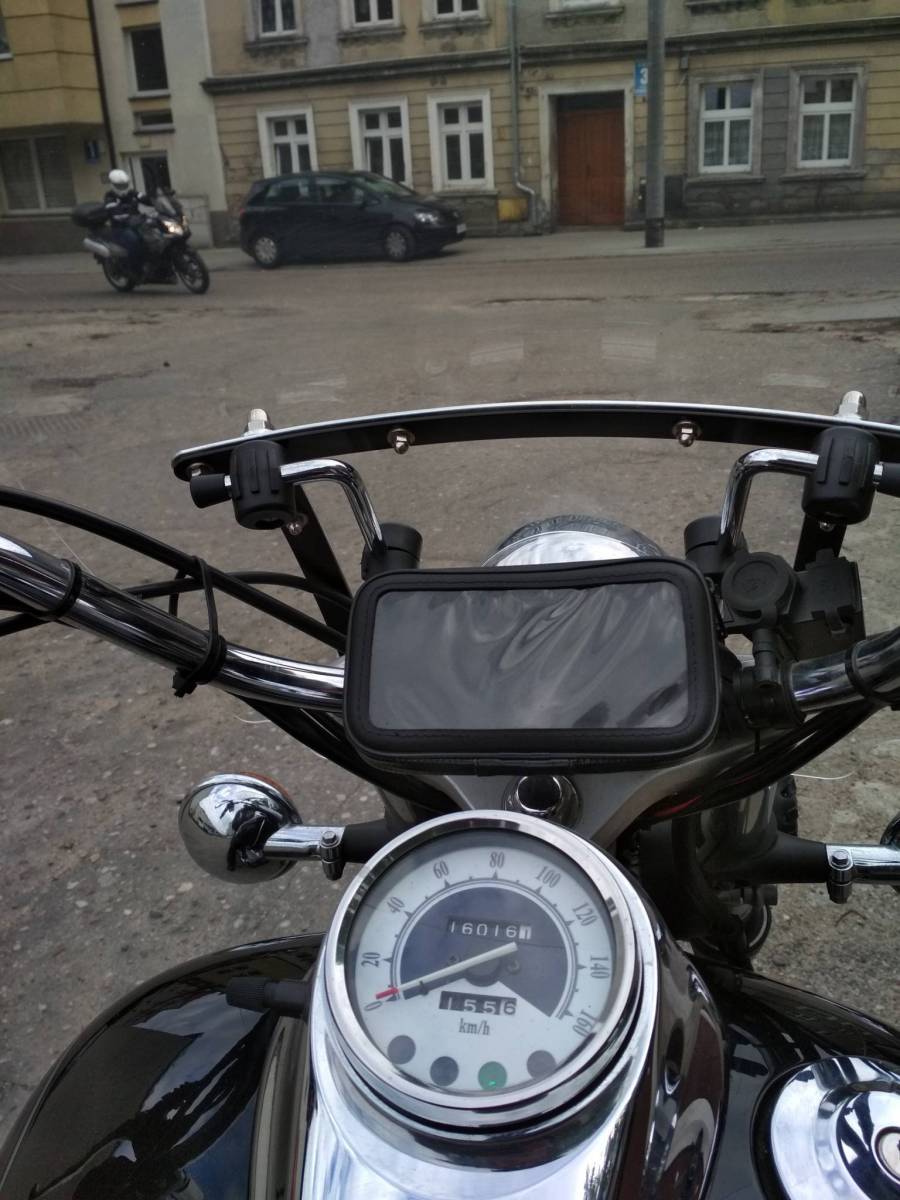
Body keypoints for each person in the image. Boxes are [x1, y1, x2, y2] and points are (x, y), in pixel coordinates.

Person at [103, 169, 152, 268]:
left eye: (124, 185)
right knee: (134, 241)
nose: (123, 187)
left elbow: (144, 198)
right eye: (119, 186)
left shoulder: (132, 192)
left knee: (154, 236)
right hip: (120, 227)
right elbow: (114, 211)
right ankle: (135, 268)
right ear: (113, 185)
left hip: (136, 223)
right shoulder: (110, 197)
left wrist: (155, 200)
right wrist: (122, 211)